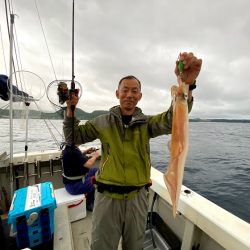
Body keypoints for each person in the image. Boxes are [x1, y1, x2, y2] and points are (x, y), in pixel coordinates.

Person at [63, 52, 202, 250]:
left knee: (135, 246)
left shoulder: (147, 124)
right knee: (102, 246)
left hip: (137, 199)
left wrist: (187, 85)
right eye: (125, 90)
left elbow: (173, 119)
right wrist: (70, 109)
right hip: (107, 199)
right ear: (117, 94)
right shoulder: (102, 122)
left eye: (134, 91)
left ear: (140, 96)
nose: (129, 95)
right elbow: (72, 137)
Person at [61, 144, 101, 211]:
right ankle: (90, 204)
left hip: (74, 180)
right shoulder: (73, 151)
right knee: (95, 180)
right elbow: (89, 164)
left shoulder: (70, 149)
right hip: (74, 186)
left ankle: (90, 196)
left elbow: (76, 158)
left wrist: (85, 152)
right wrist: (95, 155)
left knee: (96, 170)